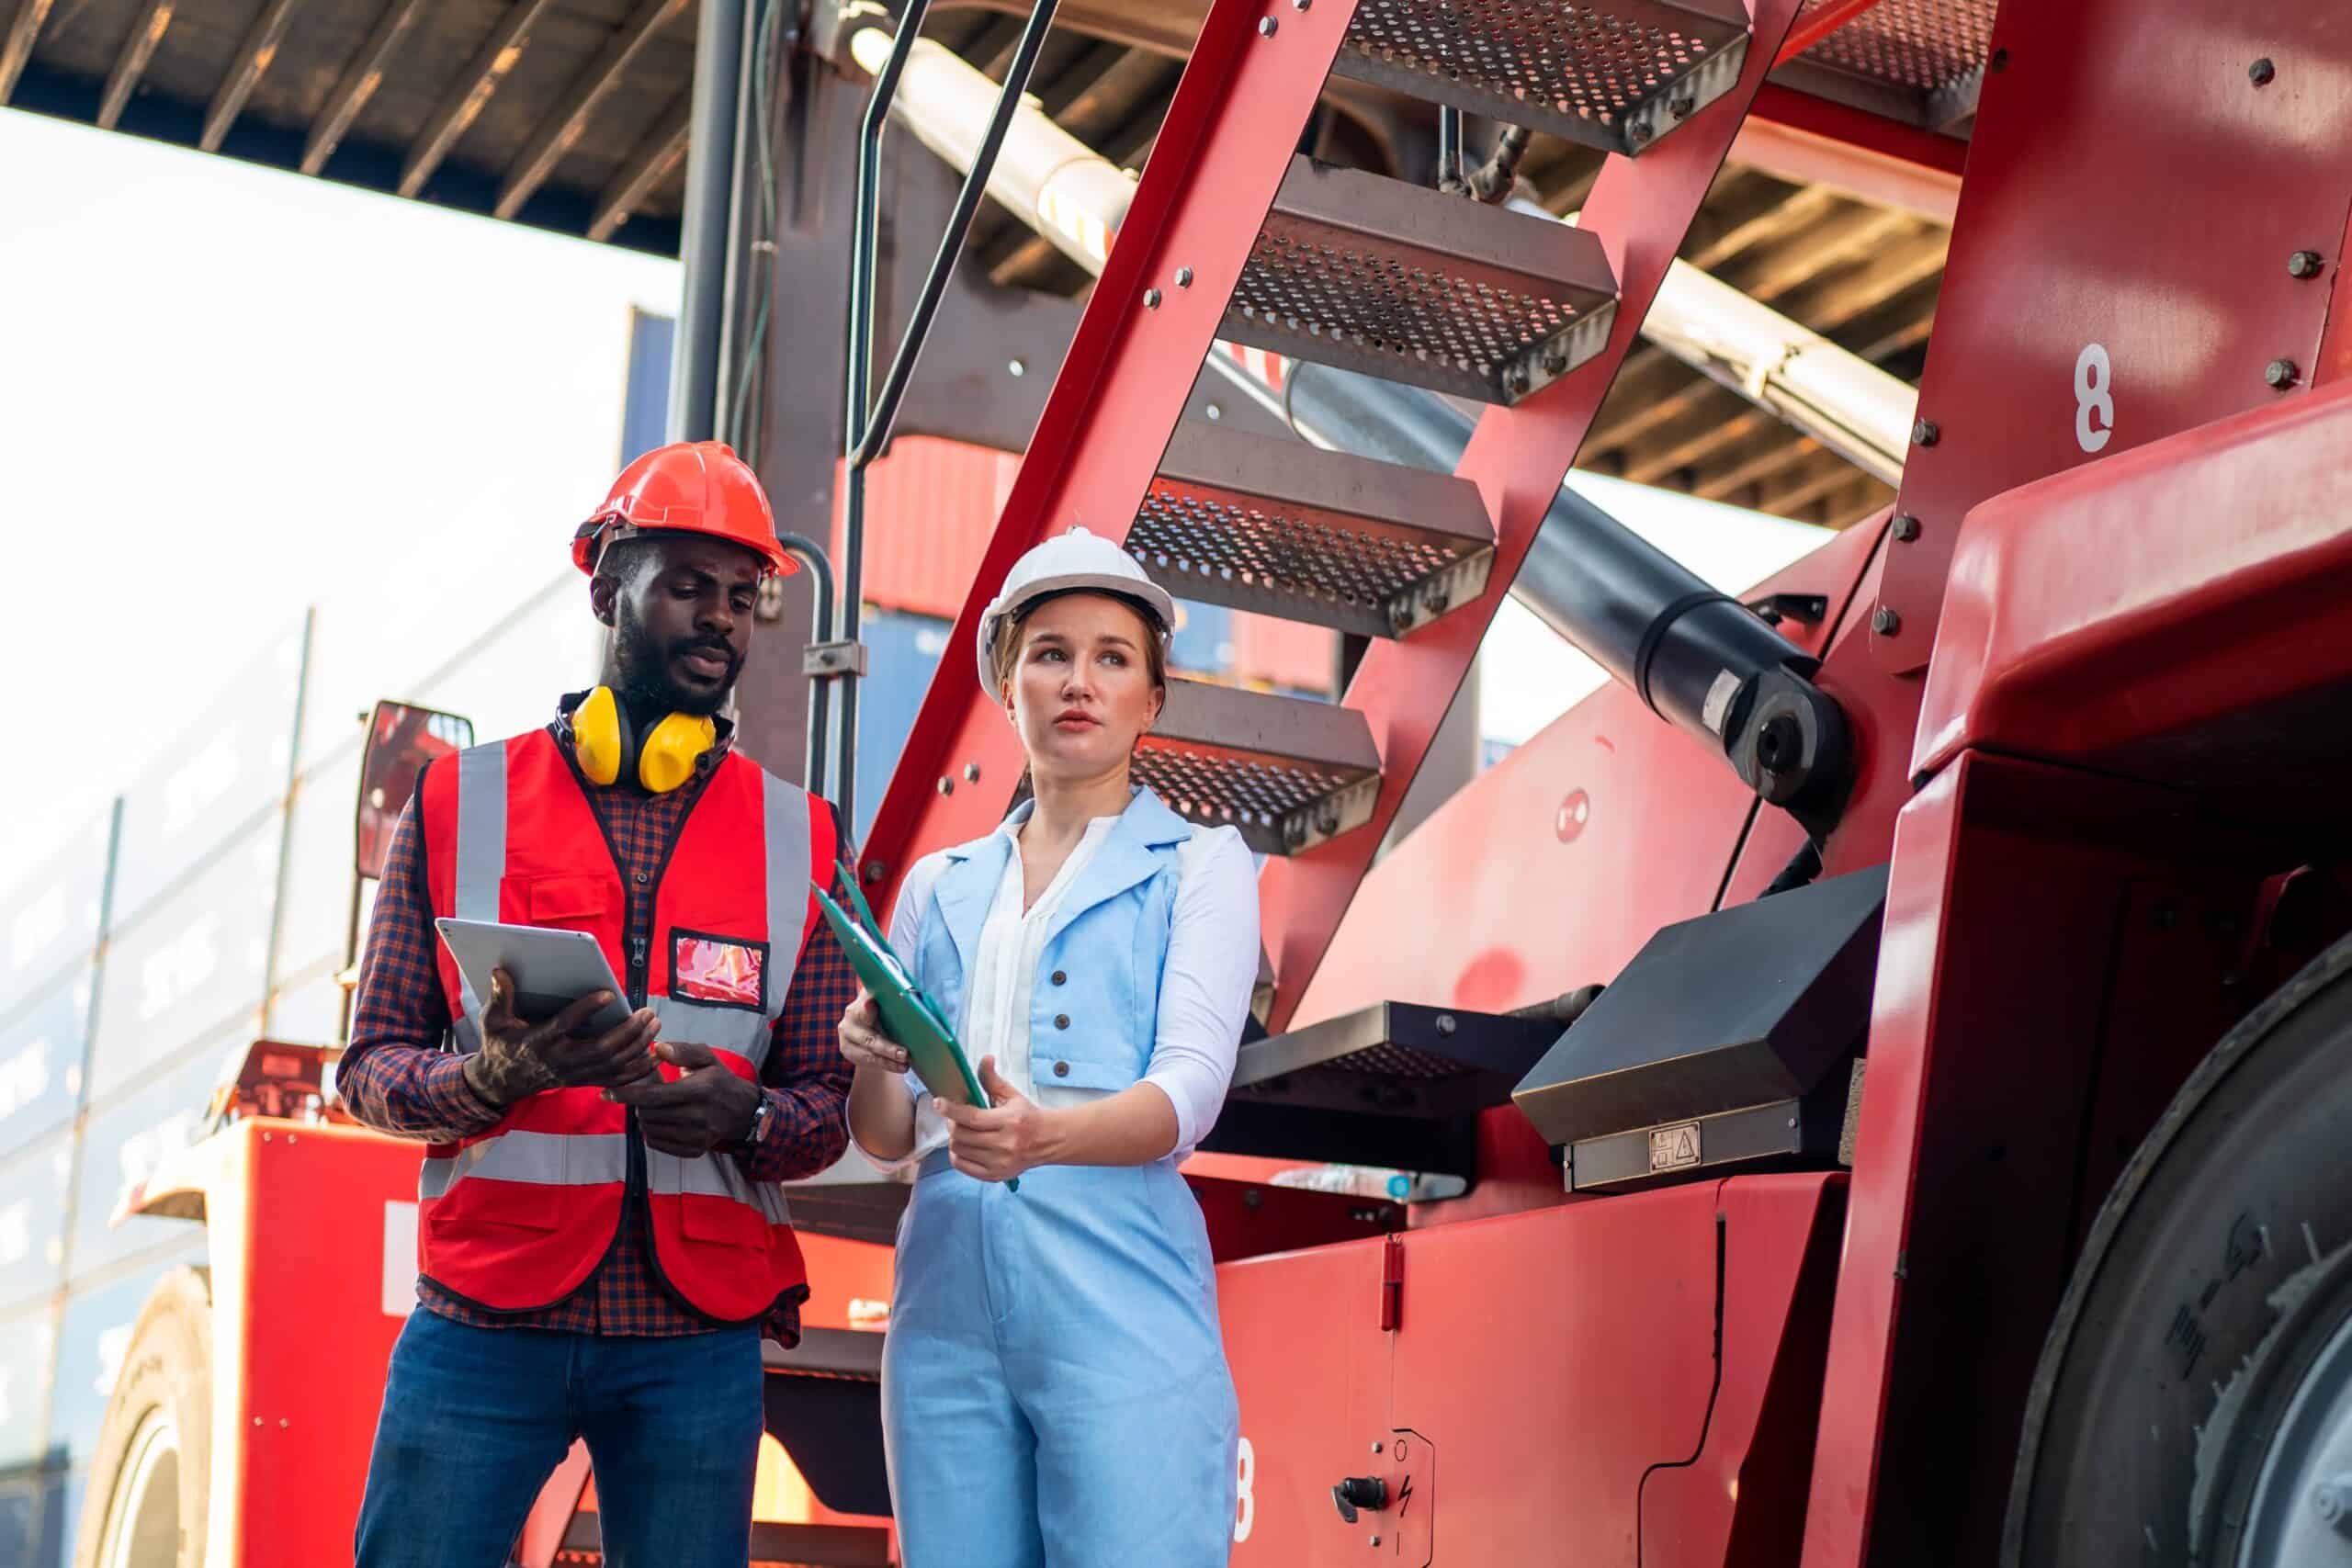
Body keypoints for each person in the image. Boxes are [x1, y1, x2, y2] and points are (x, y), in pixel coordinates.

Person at [342, 441, 858, 1568]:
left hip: (694, 1336)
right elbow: (367, 1068)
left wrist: (750, 1119)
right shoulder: (457, 802)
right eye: (686, 585)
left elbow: (825, 1101)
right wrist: (484, 1082)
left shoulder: (801, 839)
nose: (720, 619)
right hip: (485, 1321)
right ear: (605, 587)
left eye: (741, 596)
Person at [838, 526, 1258, 1567]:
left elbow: (1190, 1090)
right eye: (1050, 652)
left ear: (1152, 698)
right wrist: (869, 1052)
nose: (1080, 681)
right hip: (941, 1296)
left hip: (1119, 1280)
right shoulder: (938, 882)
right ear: (1005, 679)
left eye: (1113, 658)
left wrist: (1043, 1139)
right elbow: (890, 1138)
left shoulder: (1203, 865)